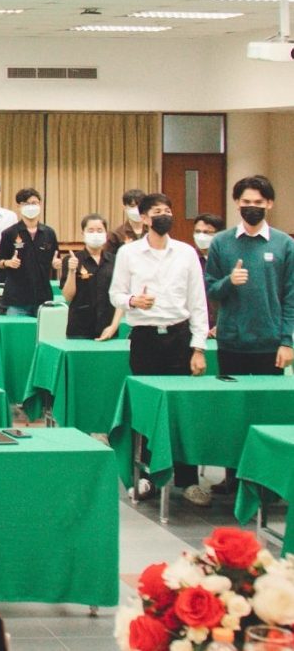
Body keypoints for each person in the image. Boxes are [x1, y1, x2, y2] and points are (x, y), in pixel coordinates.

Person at [109, 192, 210, 506]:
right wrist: (132, 301)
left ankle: (188, 480)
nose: (164, 215)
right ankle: (148, 477)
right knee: (148, 411)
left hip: (179, 338)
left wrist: (199, 348)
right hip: (145, 339)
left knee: (182, 412)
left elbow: (198, 303)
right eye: (157, 211)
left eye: (168, 210)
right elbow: (116, 294)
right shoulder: (128, 253)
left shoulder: (186, 253)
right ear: (144, 218)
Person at [203, 176, 294, 493]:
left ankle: (269, 479)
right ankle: (233, 477)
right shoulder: (221, 243)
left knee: (270, 413)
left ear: (269, 204)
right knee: (234, 414)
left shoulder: (284, 244)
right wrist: (230, 281)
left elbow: (291, 296)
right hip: (232, 342)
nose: (251, 207)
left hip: (270, 344)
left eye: (258, 202)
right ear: (236, 203)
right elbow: (211, 289)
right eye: (246, 202)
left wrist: (287, 341)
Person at [0, 188, 60, 317]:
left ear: (40, 204)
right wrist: (8, 262)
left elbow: (56, 258)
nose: (31, 206)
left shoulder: (49, 233)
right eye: (26, 203)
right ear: (19, 206)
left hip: (43, 297)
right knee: (17, 330)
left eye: (34, 203)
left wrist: (56, 263)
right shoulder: (9, 233)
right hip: (17, 298)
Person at [60, 214, 123, 340]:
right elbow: (68, 297)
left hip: (108, 328)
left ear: (106, 234)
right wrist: (72, 271)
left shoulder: (116, 261)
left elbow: (121, 296)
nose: (95, 234)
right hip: (79, 329)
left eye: (99, 230)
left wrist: (114, 326)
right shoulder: (72, 259)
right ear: (83, 233)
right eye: (91, 230)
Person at [193, 212, 224, 338]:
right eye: (197, 231)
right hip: (194, 327)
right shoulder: (188, 258)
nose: (201, 236)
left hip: (223, 326)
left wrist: (221, 325)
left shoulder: (226, 260)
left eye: (207, 232)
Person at [108, 188, 148, 253]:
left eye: (140, 206)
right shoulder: (116, 234)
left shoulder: (152, 231)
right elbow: (109, 257)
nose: (137, 209)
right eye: (132, 206)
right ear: (124, 207)